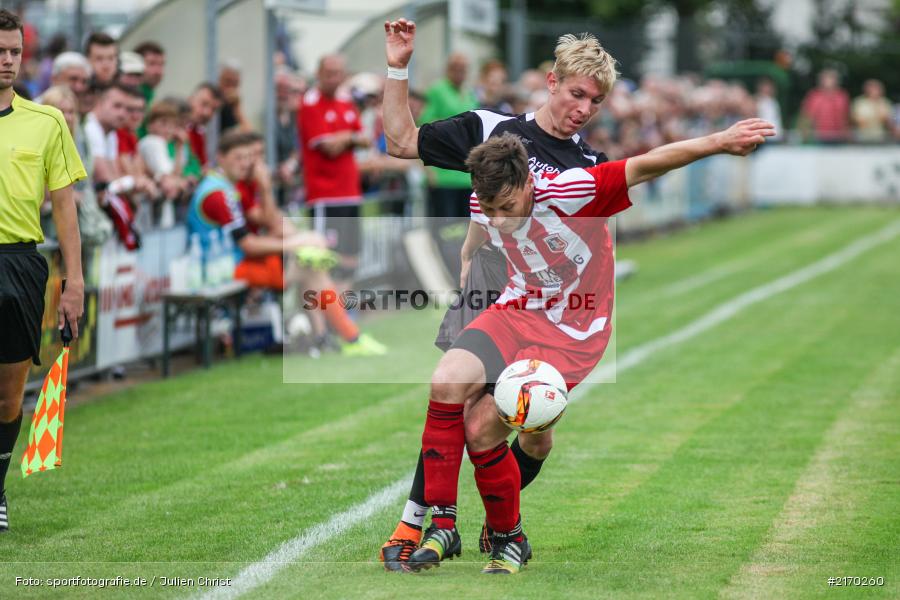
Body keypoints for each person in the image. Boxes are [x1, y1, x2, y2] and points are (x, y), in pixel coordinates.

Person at [405, 118, 773, 574]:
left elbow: (646, 164)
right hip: (516, 308)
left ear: (527, 183)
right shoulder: (487, 194)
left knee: (483, 430)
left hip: (573, 331)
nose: (497, 216)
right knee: (446, 381)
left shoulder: (573, 189)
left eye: (506, 206)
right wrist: (466, 256)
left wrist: (719, 141)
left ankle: (508, 537)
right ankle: (443, 524)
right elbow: (482, 225)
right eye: (489, 206)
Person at [379, 20, 616, 570]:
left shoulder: (588, 166)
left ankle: (499, 523)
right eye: (576, 92)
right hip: (493, 278)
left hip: (550, 302)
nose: (582, 108)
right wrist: (398, 66)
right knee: (454, 394)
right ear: (552, 81)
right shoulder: (490, 126)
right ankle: (422, 524)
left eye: (595, 100)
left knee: (528, 430)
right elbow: (399, 142)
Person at [0, 9, 87, 532]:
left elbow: (64, 207)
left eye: (13, 52)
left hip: (19, 262)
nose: (6, 61)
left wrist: (73, 283)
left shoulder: (47, 121)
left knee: (9, 392)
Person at [187, 130, 386, 356]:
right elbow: (248, 243)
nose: (246, 164)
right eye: (239, 158)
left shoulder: (227, 187)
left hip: (232, 263)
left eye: (250, 157)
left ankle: (332, 336)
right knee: (310, 263)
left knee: (312, 264)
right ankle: (347, 336)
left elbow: (266, 223)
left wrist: (295, 239)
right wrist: (294, 245)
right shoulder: (218, 193)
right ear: (220, 157)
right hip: (222, 271)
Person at [298, 54, 370, 279]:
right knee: (325, 257)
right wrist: (350, 137)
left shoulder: (345, 101)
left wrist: (344, 138)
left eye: (338, 73)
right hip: (325, 195)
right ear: (318, 74)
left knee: (351, 255)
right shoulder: (310, 103)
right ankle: (325, 310)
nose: (333, 79)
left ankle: (345, 310)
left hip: (351, 191)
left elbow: (365, 139)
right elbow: (329, 148)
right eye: (329, 74)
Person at [800, 69, 850, 143]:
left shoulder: (842, 96)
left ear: (836, 81)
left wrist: (847, 134)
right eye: (825, 79)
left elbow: (846, 116)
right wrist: (805, 134)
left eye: (831, 78)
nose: (828, 81)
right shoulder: (814, 96)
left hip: (839, 136)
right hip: (819, 136)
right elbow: (807, 116)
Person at [186, 82, 222, 169]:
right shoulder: (169, 129)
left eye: (213, 109)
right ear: (190, 100)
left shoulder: (199, 133)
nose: (207, 113)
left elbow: (202, 168)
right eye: (204, 104)